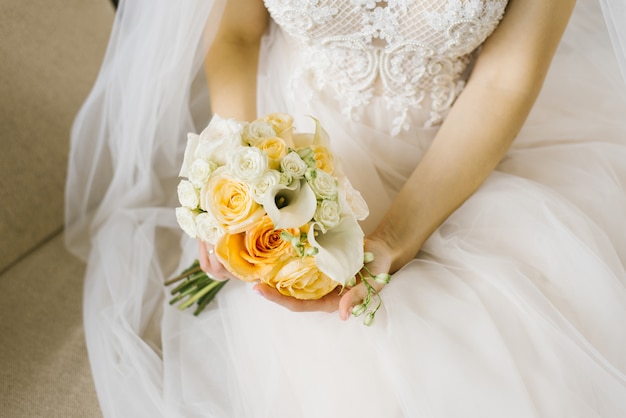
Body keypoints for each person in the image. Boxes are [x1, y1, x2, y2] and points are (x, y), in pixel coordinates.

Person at [66, 0, 626, 416]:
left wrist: (392, 239)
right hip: (293, 155)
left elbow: (504, 82)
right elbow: (234, 34)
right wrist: (238, 172)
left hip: (465, 163)